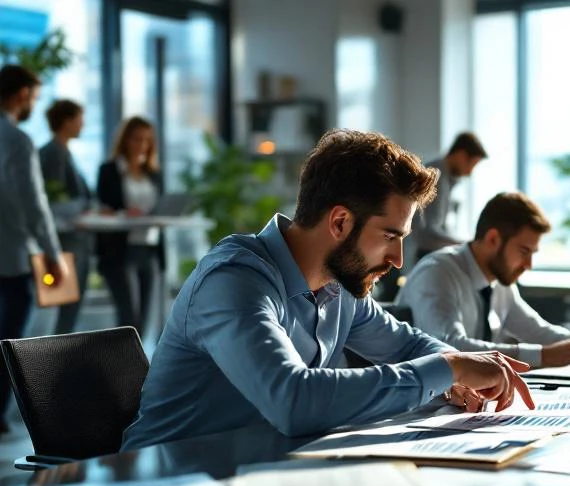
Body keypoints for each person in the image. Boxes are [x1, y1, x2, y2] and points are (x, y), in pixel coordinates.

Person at [122, 129, 533, 450]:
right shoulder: (235, 281)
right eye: (390, 236)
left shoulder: (339, 289)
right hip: (163, 485)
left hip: (261, 475)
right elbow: (293, 401)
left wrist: (453, 363)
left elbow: (408, 347)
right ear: (339, 223)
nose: (399, 259)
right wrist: (449, 369)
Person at [396, 191, 570, 367]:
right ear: (493, 239)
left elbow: (539, 332)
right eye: (524, 251)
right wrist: (543, 356)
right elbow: (450, 347)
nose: (528, 265)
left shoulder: (501, 283)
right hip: (416, 407)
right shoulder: (438, 273)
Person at [0, 64, 66, 435]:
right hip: (12, 258)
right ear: (22, 94)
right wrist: (53, 254)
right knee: (9, 340)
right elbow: (34, 206)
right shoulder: (17, 141)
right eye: (34, 98)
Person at [376, 131, 487, 301]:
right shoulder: (437, 178)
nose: (471, 172)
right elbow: (427, 234)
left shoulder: (447, 179)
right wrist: (466, 244)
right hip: (409, 259)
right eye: (472, 164)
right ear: (461, 155)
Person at [95, 115, 163, 338]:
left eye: (146, 139)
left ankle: (136, 371)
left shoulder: (153, 174)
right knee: (128, 319)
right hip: (121, 251)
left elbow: (158, 207)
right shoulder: (110, 170)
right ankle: (120, 369)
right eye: (136, 139)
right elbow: (104, 207)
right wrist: (125, 212)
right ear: (125, 140)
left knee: (143, 320)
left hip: (149, 248)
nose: (141, 144)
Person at [39, 98, 92, 334]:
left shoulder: (62, 152)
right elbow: (55, 201)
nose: (83, 125)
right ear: (66, 121)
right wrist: (86, 205)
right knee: (64, 305)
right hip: (65, 240)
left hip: (71, 239)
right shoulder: (54, 154)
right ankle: (56, 363)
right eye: (80, 119)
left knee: (66, 305)